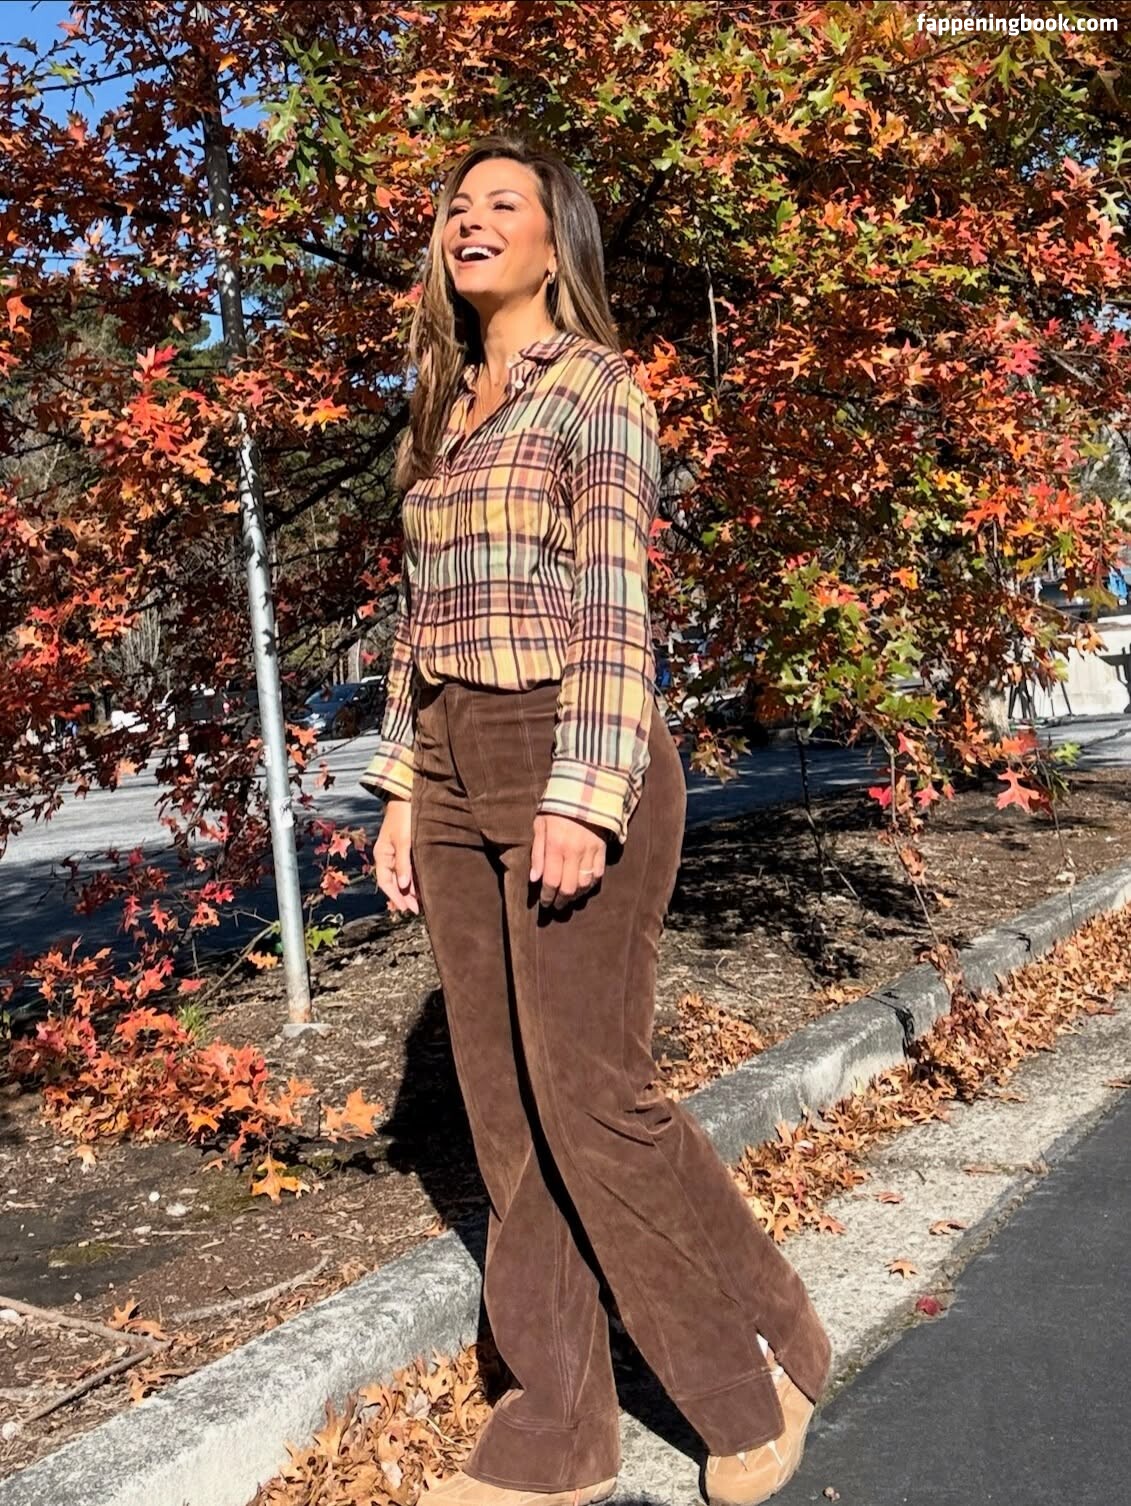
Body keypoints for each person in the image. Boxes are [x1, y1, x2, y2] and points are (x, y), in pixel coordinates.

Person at [363, 134, 831, 1506]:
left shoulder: (598, 389)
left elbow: (615, 601)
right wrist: (402, 787)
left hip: (568, 741)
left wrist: (584, 790)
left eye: (501, 204)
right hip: (452, 761)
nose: (469, 221)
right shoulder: (446, 412)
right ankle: (559, 1426)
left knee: (594, 1100)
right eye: (456, 207)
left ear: (554, 240)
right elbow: (417, 624)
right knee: (507, 1118)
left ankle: (754, 1368)